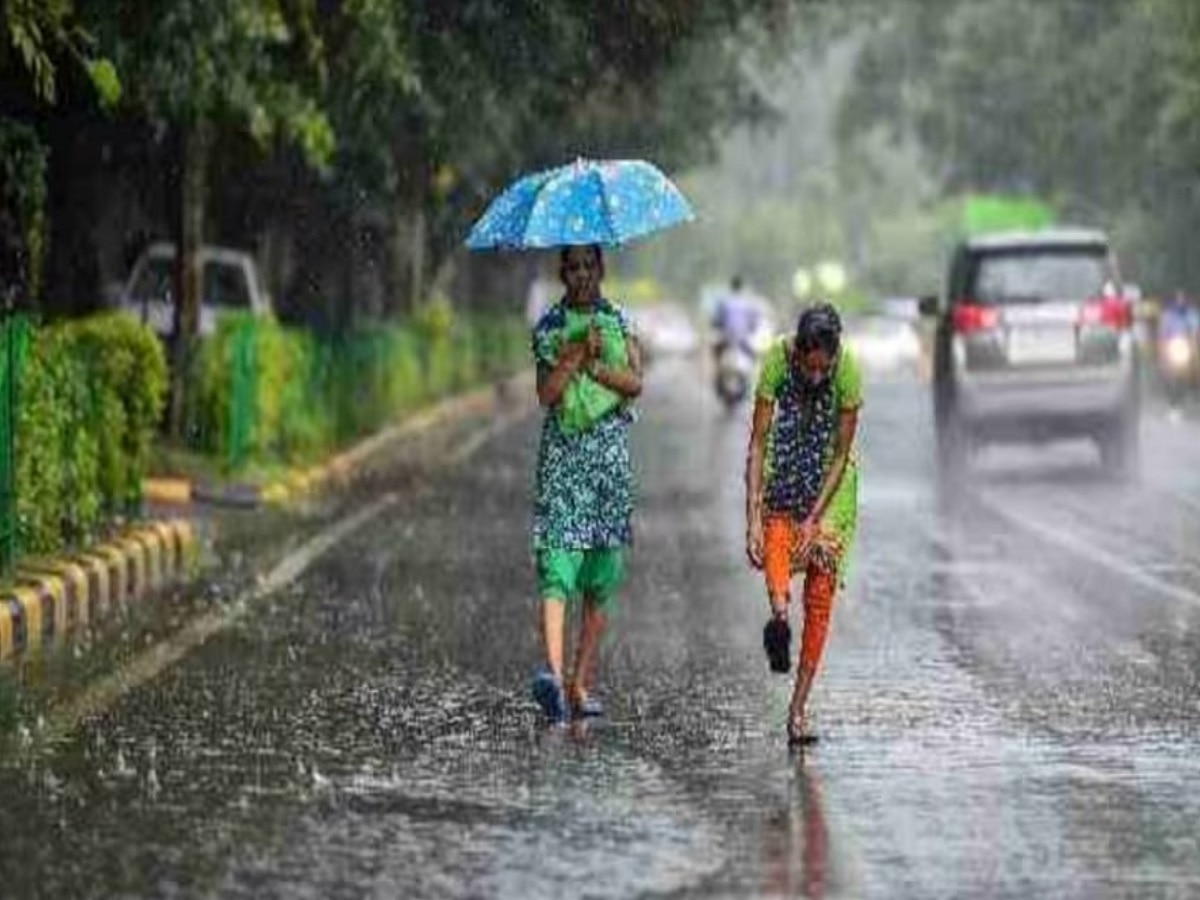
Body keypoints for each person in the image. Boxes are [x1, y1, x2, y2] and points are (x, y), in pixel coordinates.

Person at [529, 244, 642, 723]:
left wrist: (597, 364)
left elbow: (635, 383)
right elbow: (546, 395)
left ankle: (578, 682)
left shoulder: (619, 319)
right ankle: (553, 677)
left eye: (588, 266)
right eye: (572, 268)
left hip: (608, 467)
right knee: (557, 567)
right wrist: (574, 354)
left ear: (601, 269)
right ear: (562, 273)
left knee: (599, 578)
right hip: (563, 463)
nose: (580, 275)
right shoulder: (549, 330)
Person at [744, 302, 862, 746]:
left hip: (833, 488)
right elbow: (757, 443)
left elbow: (840, 455)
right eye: (808, 367)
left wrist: (815, 520)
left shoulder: (848, 371)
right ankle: (778, 619)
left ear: (833, 358)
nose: (815, 377)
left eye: (822, 369)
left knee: (820, 592)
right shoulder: (776, 360)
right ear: (797, 353)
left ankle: (797, 713)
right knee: (773, 535)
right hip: (786, 469)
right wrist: (751, 514)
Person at [711, 275, 765, 361]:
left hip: (727, 335)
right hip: (743, 336)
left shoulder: (724, 301)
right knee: (754, 355)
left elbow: (717, 319)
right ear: (741, 287)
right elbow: (753, 322)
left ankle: (717, 370)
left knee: (716, 351)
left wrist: (716, 326)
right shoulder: (747, 302)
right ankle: (756, 369)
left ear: (731, 287)